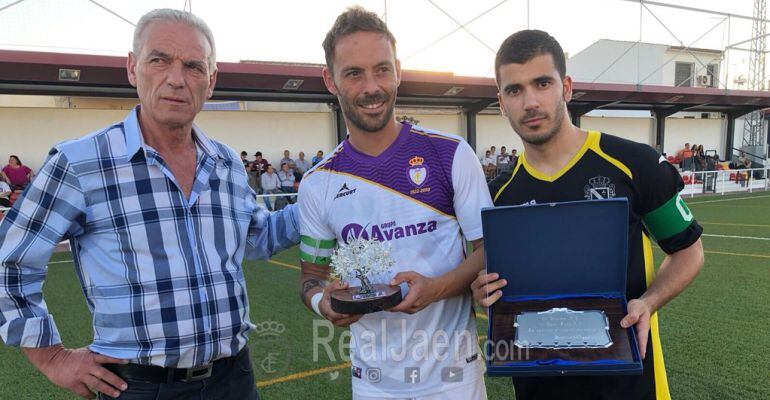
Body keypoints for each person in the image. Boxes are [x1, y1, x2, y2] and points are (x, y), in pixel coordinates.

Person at [0, 9, 300, 400]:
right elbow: (10, 261)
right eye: (159, 60)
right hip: (138, 386)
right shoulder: (81, 163)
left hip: (233, 380)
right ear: (132, 68)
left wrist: (323, 197)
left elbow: (258, 237)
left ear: (210, 82)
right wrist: (53, 357)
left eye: (194, 66)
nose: (176, 79)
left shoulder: (225, 162)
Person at [473, 30, 704, 400]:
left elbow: (689, 251)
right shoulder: (499, 193)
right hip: (538, 385)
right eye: (515, 90)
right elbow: (492, 280)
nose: (530, 102)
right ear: (501, 102)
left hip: (628, 386)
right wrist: (483, 290)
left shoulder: (634, 163)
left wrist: (648, 302)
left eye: (542, 83)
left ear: (566, 87)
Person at [297, 7, 491, 400]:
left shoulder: (451, 154)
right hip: (374, 384)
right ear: (330, 80)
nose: (372, 86)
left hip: (454, 378)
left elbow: (490, 250)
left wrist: (437, 288)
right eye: (354, 73)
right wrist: (323, 303)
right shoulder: (318, 184)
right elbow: (310, 277)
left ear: (398, 70)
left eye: (382, 69)